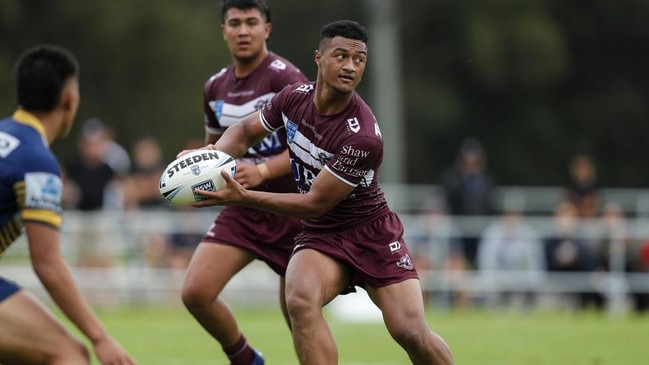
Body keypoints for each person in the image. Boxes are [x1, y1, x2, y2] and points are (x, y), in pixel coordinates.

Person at [182, 20, 454, 365]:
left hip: (370, 233)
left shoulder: (363, 137)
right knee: (299, 299)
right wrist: (212, 158)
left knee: (410, 331)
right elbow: (246, 131)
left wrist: (243, 196)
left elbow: (313, 203)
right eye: (341, 56)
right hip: (322, 235)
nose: (350, 66)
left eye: (359, 60)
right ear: (318, 59)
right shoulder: (294, 98)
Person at [179, 1, 308, 364]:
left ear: (267, 29)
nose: (243, 30)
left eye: (252, 22)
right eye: (234, 23)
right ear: (223, 31)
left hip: (292, 212)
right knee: (195, 292)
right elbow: (215, 150)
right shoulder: (214, 88)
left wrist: (265, 170)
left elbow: (313, 147)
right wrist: (195, 179)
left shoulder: (285, 77)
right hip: (242, 210)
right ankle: (247, 359)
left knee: (297, 312)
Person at [0, 45, 136, 364]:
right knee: (69, 353)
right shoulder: (36, 160)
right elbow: (47, 264)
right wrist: (100, 337)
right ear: (70, 99)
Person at [439, 137, 496, 269]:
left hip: (481, 229)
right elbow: (447, 202)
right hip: (457, 229)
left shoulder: (486, 181)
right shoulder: (452, 178)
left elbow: (490, 206)